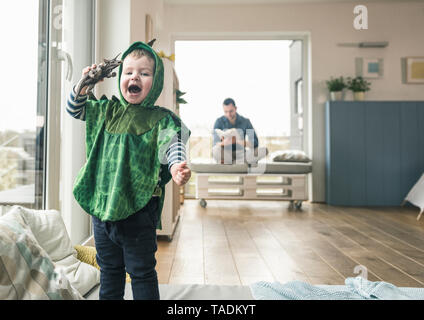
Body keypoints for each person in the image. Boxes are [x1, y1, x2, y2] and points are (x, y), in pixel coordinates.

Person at [66, 41, 191, 300]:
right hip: (103, 208)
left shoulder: (161, 118)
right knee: (109, 269)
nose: (135, 76)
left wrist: (177, 165)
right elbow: (74, 109)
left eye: (144, 73)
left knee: (141, 271)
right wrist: (84, 84)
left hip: (139, 211)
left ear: (155, 83)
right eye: (129, 72)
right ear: (120, 78)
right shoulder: (106, 110)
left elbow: (172, 145)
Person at [212, 98, 267, 164]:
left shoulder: (246, 121)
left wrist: (238, 141)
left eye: (231, 111)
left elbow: (255, 143)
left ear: (235, 108)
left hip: (242, 154)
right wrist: (225, 143)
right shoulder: (219, 121)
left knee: (264, 150)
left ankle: (233, 163)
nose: (228, 114)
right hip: (226, 154)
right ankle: (239, 163)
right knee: (215, 150)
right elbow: (215, 143)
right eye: (226, 112)